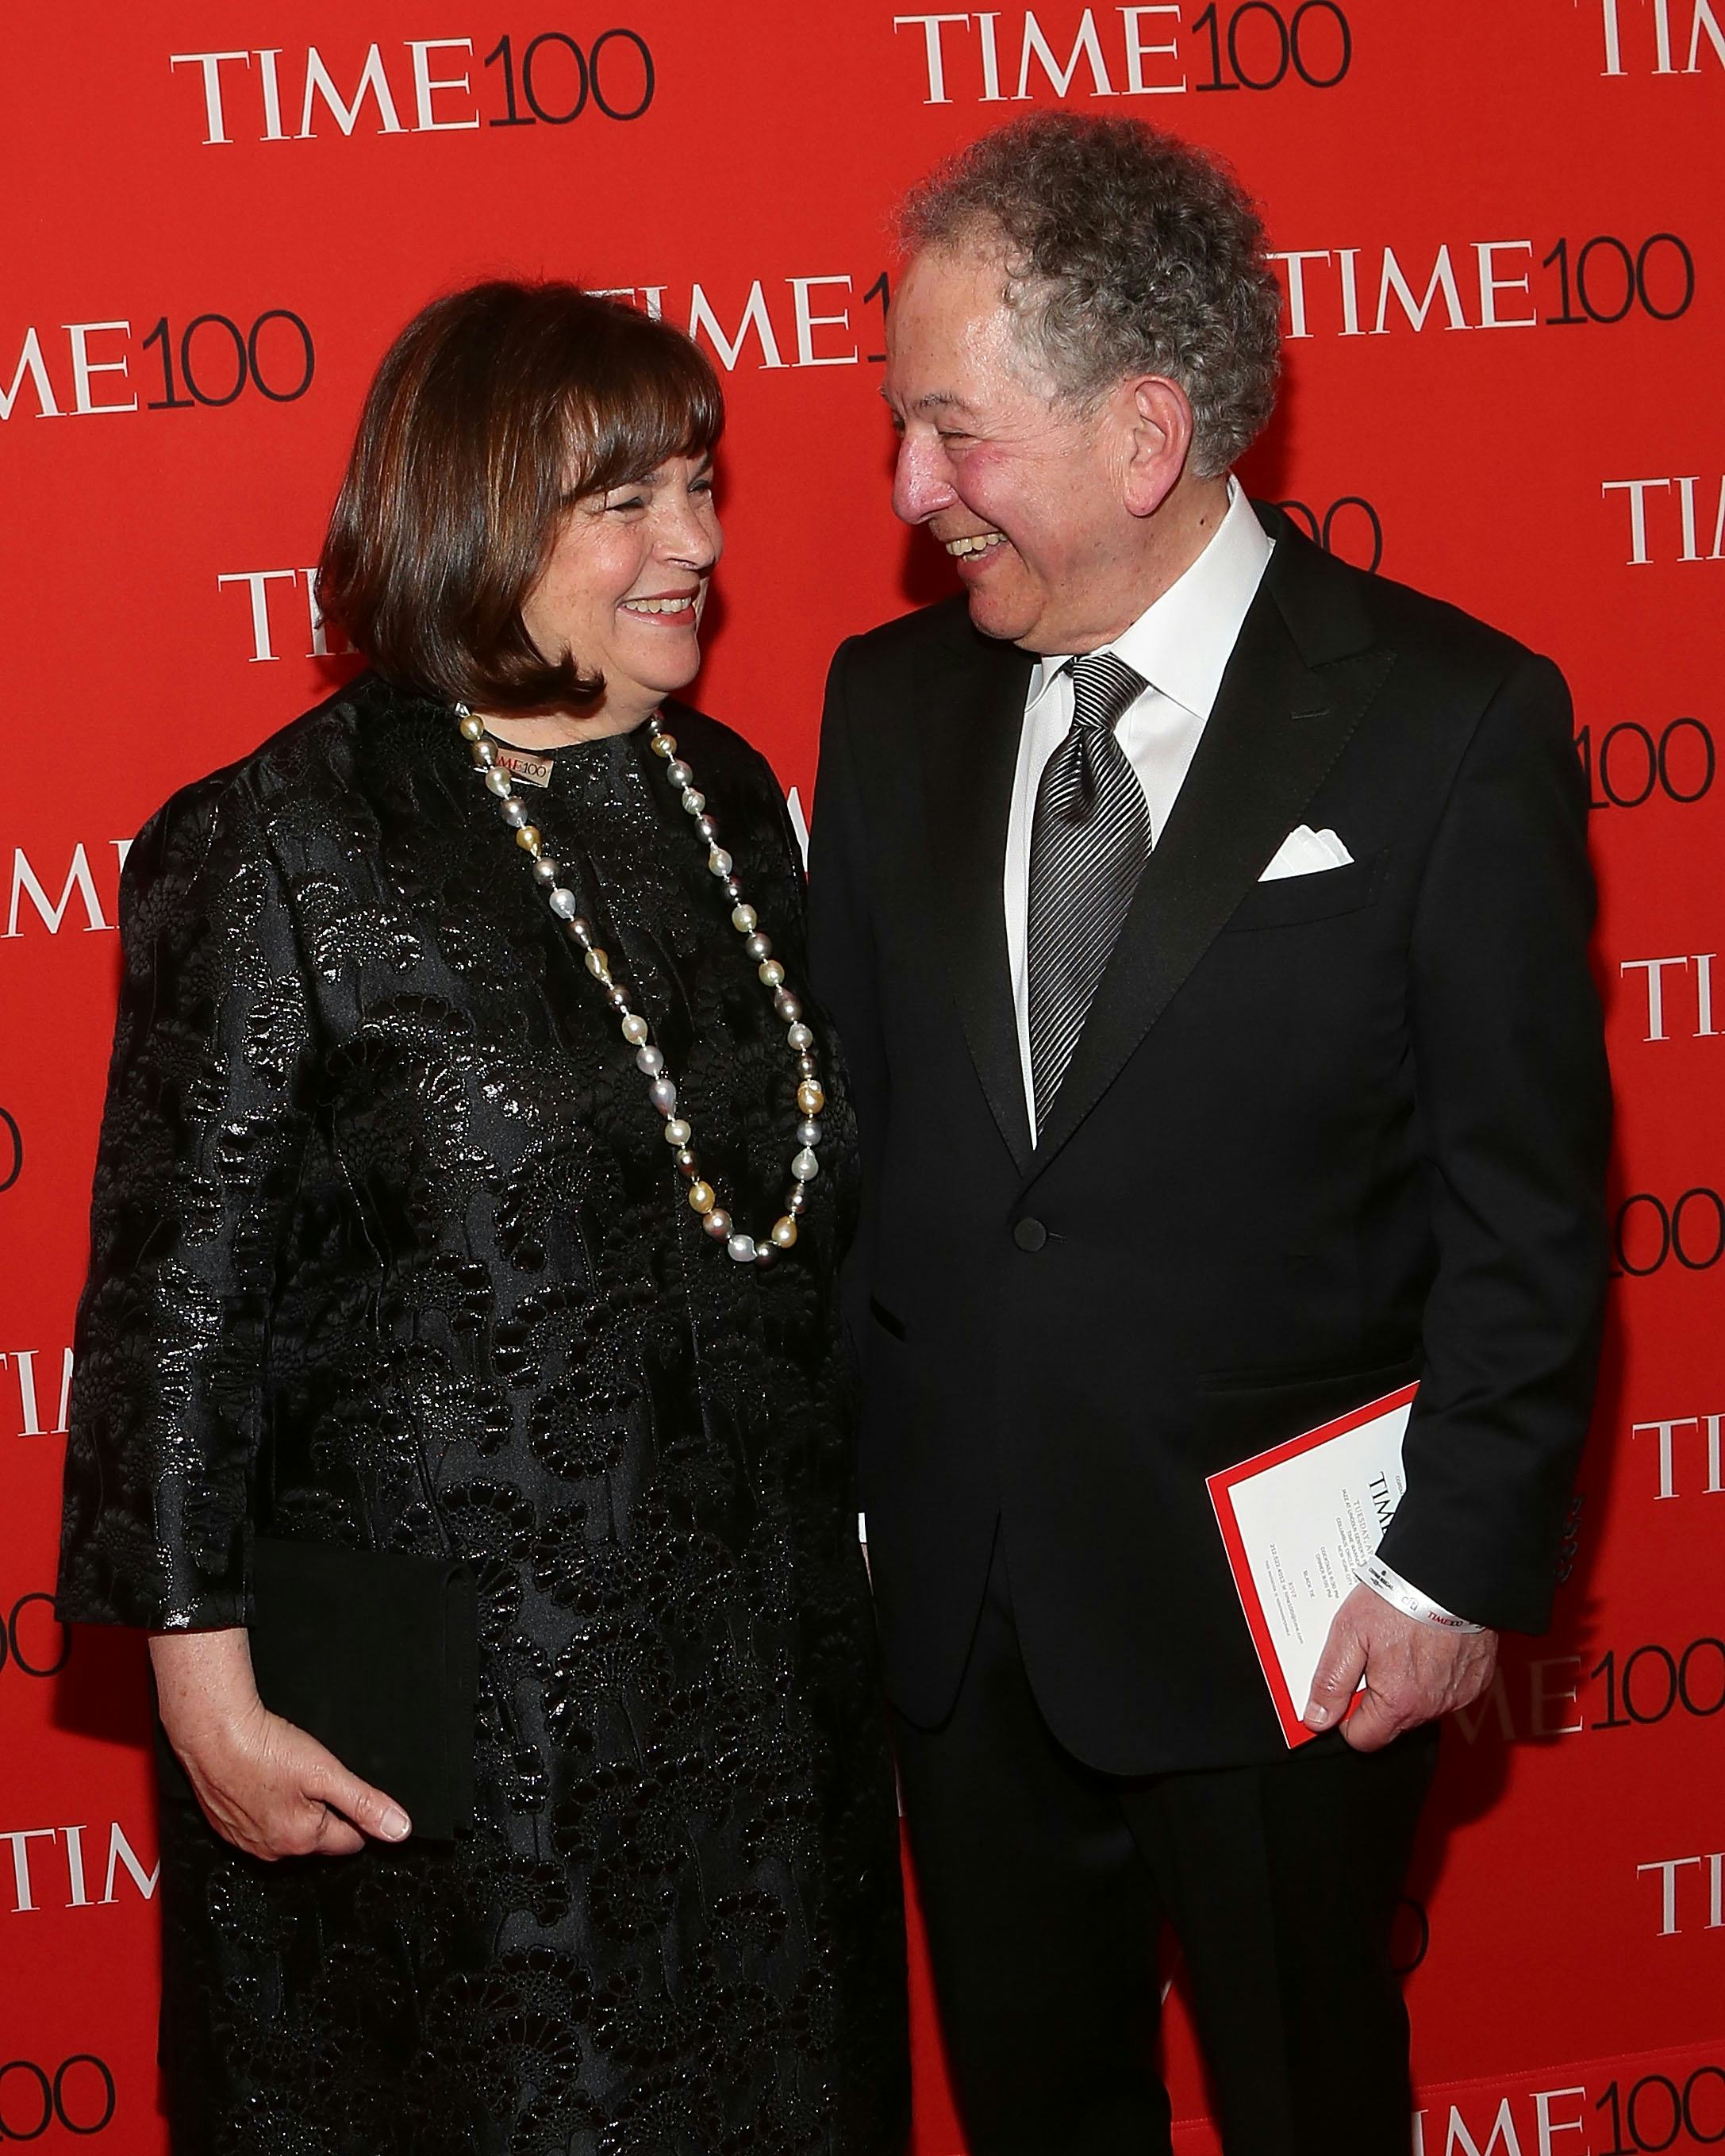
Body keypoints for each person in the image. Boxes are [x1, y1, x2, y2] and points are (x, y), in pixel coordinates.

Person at [807, 115, 1608, 2156]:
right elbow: (863, 1152)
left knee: (1306, 2103)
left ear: (1144, 433)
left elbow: (1525, 1209)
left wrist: (1448, 1572)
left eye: (953, 434)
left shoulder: (1445, 722)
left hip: (1294, 1634)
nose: (910, 490)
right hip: (965, 1617)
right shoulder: (886, 707)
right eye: (903, 429)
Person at [56, 279, 909, 2156]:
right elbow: (176, 1308)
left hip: (762, 1692)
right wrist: (202, 1697)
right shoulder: (283, 840)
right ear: (476, 518)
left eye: (700, 486)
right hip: (458, 1733)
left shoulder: (725, 802)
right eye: (628, 502)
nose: (697, 542)